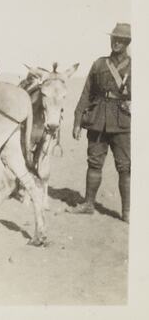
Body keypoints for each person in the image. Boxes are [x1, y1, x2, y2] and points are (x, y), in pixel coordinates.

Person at [68, 23, 131, 223]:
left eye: (121, 39)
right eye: (114, 38)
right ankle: (88, 204)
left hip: (122, 123)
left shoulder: (136, 66)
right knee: (94, 163)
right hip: (97, 120)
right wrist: (77, 121)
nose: (116, 42)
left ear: (127, 42)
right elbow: (86, 92)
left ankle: (127, 212)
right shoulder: (99, 64)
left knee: (125, 167)